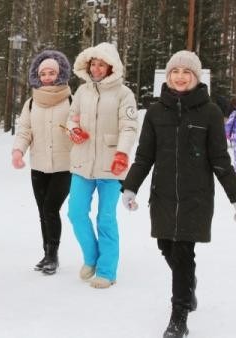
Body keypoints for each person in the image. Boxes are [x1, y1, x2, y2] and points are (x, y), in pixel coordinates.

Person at [121, 50, 236, 338]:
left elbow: (220, 159)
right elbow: (144, 156)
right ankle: (188, 284)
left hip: (196, 197)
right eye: (175, 71)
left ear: (196, 77)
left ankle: (179, 317)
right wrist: (130, 186)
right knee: (166, 246)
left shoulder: (211, 112)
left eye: (186, 72)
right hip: (163, 194)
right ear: (168, 76)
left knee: (182, 252)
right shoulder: (155, 111)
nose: (179, 76)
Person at [64, 42, 138, 289]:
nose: (96, 69)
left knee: (105, 218)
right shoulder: (82, 91)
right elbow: (71, 117)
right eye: (93, 64)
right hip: (82, 163)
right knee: (75, 213)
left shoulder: (124, 93)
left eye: (101, 64)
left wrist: (122, 154)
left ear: (111, 67)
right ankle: (91, 257)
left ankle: (106, 270)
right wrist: (74, 130)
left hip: (110, 166)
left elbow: (129, 127)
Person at [11, 50, 73, 275]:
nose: (47, 77)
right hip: (38, 166)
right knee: (42, 210)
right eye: (43, 73)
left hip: (65, 166)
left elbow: (78, 128)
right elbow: (25, 130)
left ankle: (53, 254)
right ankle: (47, 252)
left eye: (52, 72)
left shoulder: (70, 100)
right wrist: (18, 151)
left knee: (50, 208)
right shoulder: (31, 102)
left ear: (60, 73)